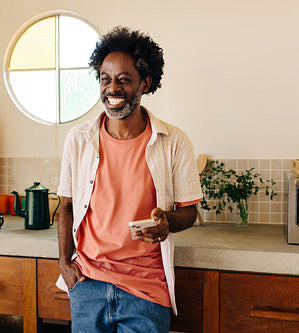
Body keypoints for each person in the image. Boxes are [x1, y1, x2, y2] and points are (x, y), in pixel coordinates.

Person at [56, 26, 203, 332]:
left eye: (124, 79)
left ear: (145, 83)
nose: (113, 89)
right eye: (106, 79)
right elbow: (67, 207)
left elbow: (189, 212)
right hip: (87, 285)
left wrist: (167, 223)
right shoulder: (78, 139)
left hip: (146, 290)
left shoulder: (174, 141)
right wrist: (64, 265)